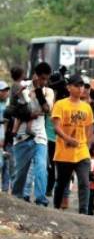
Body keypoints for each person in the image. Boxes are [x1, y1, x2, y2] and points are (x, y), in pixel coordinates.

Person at [10, 62, 53, 206]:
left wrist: (39, 92)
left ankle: (41, 199)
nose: (44, 81)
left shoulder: (48, 91)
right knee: (20, 173)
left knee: (41, 167)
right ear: (35, 75)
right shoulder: (22, 86)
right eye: (41, 78)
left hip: (40, 136)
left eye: (46, 79)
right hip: (22, 136)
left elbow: (47, 110)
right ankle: (16, 198)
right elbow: (13, 108)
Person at [51, 74, 94, 214]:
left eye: (82, 85)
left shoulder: (86, 107)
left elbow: (90, 126)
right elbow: (56, 127)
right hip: (64, 151)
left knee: (84, 182)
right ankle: (56, 208)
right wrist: (68, 139)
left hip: (82, 151)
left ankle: (83, 212)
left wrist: (87, 144)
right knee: (62, 183)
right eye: (77, 85)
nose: (80, 88)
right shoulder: (60, 104)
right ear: (69, 87)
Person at [0, 80, 9, 192]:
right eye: (4, 91)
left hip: (4, 136)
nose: (6, 93)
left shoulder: (5, 104)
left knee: (5, 164)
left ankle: (5, 189)